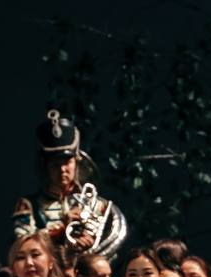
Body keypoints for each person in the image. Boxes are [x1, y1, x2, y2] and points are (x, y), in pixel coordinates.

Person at [13, 110, 127, 260]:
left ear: (76, 162)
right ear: (45, 167)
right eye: (55, 164)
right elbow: (22, 246)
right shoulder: (27, 205)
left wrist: (90, 244)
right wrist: (62, 229)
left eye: (67, 162)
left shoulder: (97, 204)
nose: (62, 169)